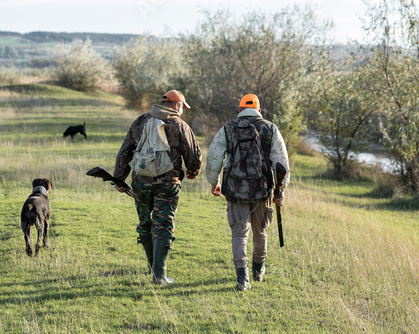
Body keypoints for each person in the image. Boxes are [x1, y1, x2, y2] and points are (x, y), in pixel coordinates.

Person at [113, 90, 202, 284]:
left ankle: (153, 268)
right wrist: (193, 171)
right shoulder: (180, 125)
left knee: (145, 223)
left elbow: (125, 152)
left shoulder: (139, 121)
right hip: (168, 185)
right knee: (163, 225)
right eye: (182, 107)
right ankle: (159, 276)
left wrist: (119, 179)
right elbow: (194, 154)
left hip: (140, 182)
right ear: (178, 105)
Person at [206, 93, 290, 291]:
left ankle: (242, 279)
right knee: (260, 232)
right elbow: (281, 162)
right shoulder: (270, 128)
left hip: (235, 190)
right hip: (262, 191)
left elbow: (213, 158)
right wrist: (280, 190)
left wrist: (214, 182)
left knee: (239, 234)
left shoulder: (228, 129)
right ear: (259, 111)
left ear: (239, 110)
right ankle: (258, 270)